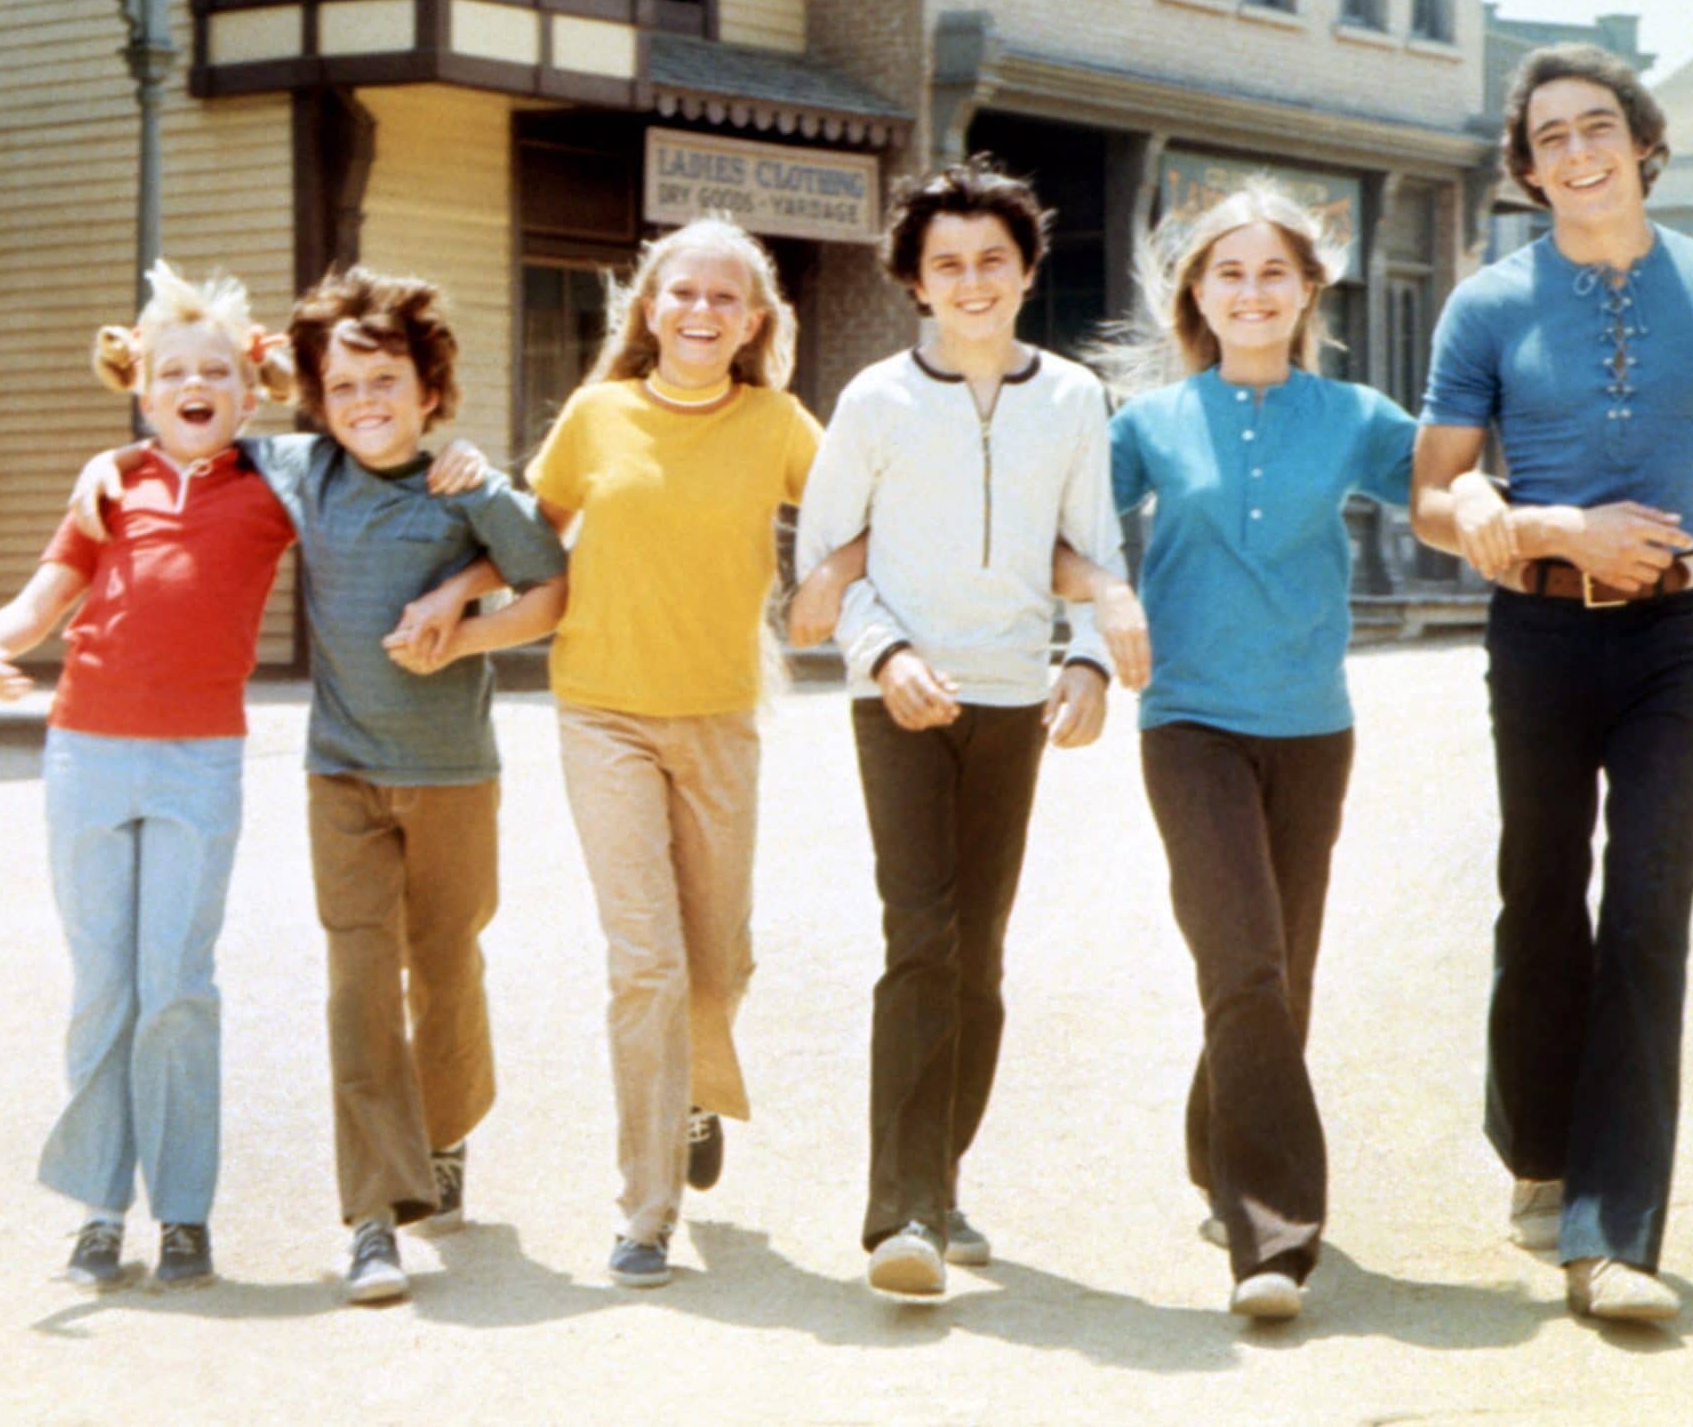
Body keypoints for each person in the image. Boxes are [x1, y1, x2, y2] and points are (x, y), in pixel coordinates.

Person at [72, 266, 564, 1305]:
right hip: (340, 774)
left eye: (385, 382)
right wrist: (107, 460)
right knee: (356, 988)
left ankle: (446, 1127)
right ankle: (374, 1218)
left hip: (452, 776)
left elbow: (549, 585)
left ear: (429, 389)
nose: (364, 404)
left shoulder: (465, 482)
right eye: (341, 389)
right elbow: (189, 438)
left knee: (447, 968)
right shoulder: (301, 470)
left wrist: (460, 601)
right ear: (315, 400)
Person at [1410, 43, 1693, 1324]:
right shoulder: (1486, 305)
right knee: (1541, 897)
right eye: (1551, 136)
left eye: (1598, 125)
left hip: (1680, 636)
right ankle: (1537, 1150)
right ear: (1524, 166)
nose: (1578, 150)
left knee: (1648, 915)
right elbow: (1431, 496)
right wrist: (1555, 524)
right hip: (1542, 636)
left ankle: (1612, 1233)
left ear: (1640, 138)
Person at [1073, 185, 1418, 1321]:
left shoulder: (1356, 414)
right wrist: (1104, 602)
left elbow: (1447, 492)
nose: (1251, 292)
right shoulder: (1148, 425)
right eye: (1228, 273)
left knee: (1280, 964)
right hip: (1190, 720)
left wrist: (1532, 523)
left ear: (1308, 289)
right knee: (1245, 959)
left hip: (1312, 723)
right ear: (1196, 295)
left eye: (1273, 272)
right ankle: (1275, 1235)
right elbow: (1072, 539)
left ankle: (1210, 1140)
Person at [792, 157, 1127, 1299]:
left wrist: (1085, 658)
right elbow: (828, 557)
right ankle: (903, 1213)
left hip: (1010, 698)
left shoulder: (1077, 398)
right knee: (919, 938)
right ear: (915, 284)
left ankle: (939, 1174)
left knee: (977, 954)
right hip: (898, 698)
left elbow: (1091, 549)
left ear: (1028, 272)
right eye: (948, 265)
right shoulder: (873, 401)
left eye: (992, 259)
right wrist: (883, 654)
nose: (972, 280)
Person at [497, 218, 827, 1291]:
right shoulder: (596, 416)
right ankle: (645, 1207)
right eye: (681, 293)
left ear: (755, 322)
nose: (700, 311)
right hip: (602, 710)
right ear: (647, 309)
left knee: (717, 959)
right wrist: (457, 600)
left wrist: (835, 584)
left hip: (721, 716)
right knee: (645, 960)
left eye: (725, 299)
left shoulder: (777, 422)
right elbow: (526, 536)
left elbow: (854, 513)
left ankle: (692, 1089)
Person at [0, 263, 298, 1293]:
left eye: (216, 371)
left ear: (247, 387)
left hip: (201, 758)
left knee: (177, 988)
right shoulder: (111, 485)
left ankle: (184, 1212)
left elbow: (365, 456)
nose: (194, 386)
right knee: (103, 984)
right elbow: (44, 597)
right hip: (87, 753)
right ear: (142, 391)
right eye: (171, 373)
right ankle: (101, 1208)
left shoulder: (275, 484)